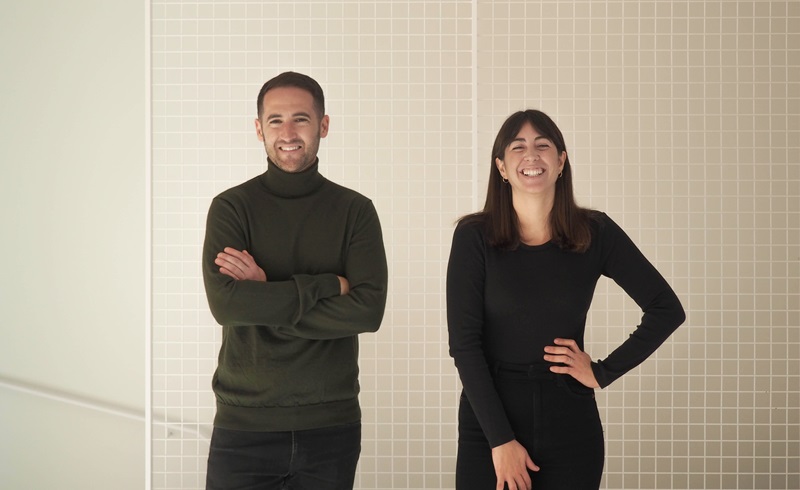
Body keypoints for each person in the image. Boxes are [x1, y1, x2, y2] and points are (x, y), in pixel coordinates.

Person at [446, 109, 685, 490]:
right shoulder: (474, 236)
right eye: (518, 147)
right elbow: (464, 345)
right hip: (490, 423)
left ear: (561, 161)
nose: (531, 155)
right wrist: (501, 440)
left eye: (543, 145)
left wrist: (603, 372)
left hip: (570, 423)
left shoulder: (595, 231)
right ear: (502, 167)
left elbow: (666, 309)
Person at [201, 71, 388, 490]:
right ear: (259, 129)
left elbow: (368, 312)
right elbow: (227, 306)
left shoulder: (355, 211)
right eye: (275, 120)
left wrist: (264, 297)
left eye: (301, 119)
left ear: (323, 125)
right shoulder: (231, 208)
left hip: (331, 426)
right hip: (244, 426)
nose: (288, 133)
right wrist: (328, 286)